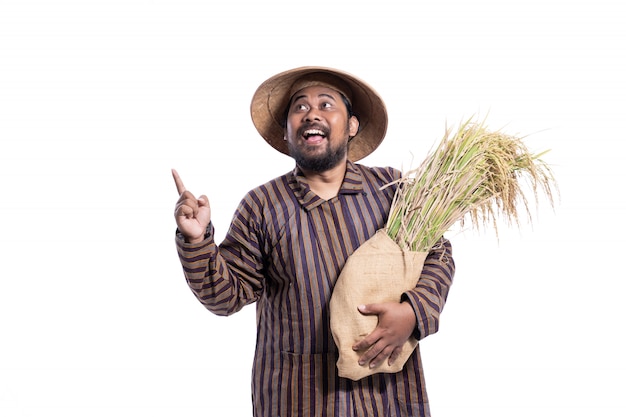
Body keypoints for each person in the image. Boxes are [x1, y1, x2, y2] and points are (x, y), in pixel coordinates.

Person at [172, 66, 455, 417]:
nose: (312, 114)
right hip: (301, 398)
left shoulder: (391, 189)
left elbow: (437, 253)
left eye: (326, 104)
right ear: (288, 133)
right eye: (300, 107)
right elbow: (225, 297)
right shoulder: (262, 206)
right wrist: (197, 239)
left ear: (352, 125)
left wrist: (414, 312)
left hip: (390, 395)